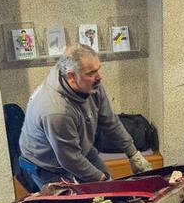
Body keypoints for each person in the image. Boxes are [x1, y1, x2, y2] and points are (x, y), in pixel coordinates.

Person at [19, 44, 152, 188]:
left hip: (80, 149)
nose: (99, 77)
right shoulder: (56, 110)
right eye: (91, 73)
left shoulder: (91, 84)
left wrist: (133, 154)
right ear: (71, 76)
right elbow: (69, 159)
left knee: (108, 189)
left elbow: (110, 122)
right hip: (47, 165)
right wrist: (102, 180)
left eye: (97, 70)